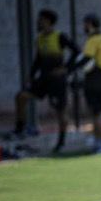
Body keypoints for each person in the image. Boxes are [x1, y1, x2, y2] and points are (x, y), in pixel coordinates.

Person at [14, 9, 80, 152]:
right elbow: (38, 60)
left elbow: (77, 51)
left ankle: (61, 142)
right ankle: (20, 129)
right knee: (21, 96)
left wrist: (67, 69)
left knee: (60, 111)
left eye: (41, 19)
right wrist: (31, 76)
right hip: (43, 79)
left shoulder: (60, 36)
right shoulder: (40, 39)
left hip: (57, 81)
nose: (38, 22)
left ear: (48, 21)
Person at [69, 14, 101, 154]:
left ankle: (99, 143)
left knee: (97, 112)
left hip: (94, 78)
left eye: (85, 24)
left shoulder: (93, 40)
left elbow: (87, 59)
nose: (84, 27)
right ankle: (100, 142)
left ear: (89, 24)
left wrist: (69, 70)